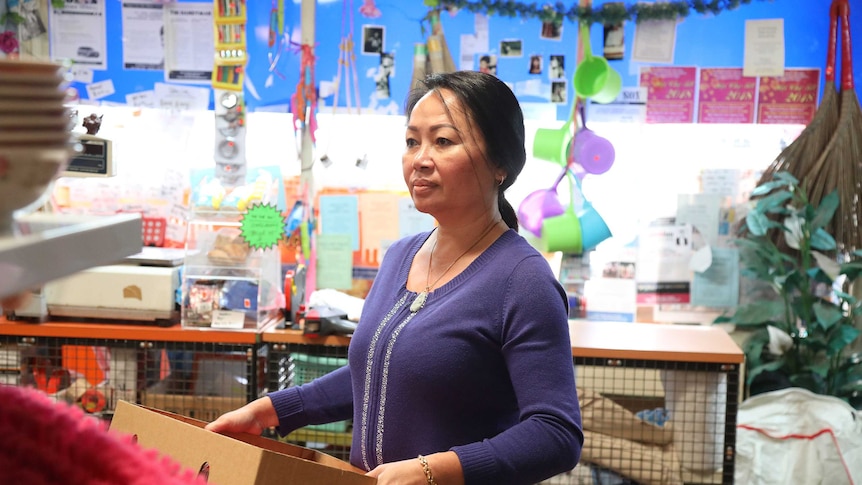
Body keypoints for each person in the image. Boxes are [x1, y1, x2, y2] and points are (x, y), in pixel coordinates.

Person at [206, 71, 584, 485]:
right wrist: (271, 409)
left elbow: (556, 433)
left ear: (500, 164)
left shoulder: (523, 279)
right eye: (411, 141)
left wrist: (434, 471)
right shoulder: (400, 256)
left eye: (443, 141)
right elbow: (378, 373)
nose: (420, 159)